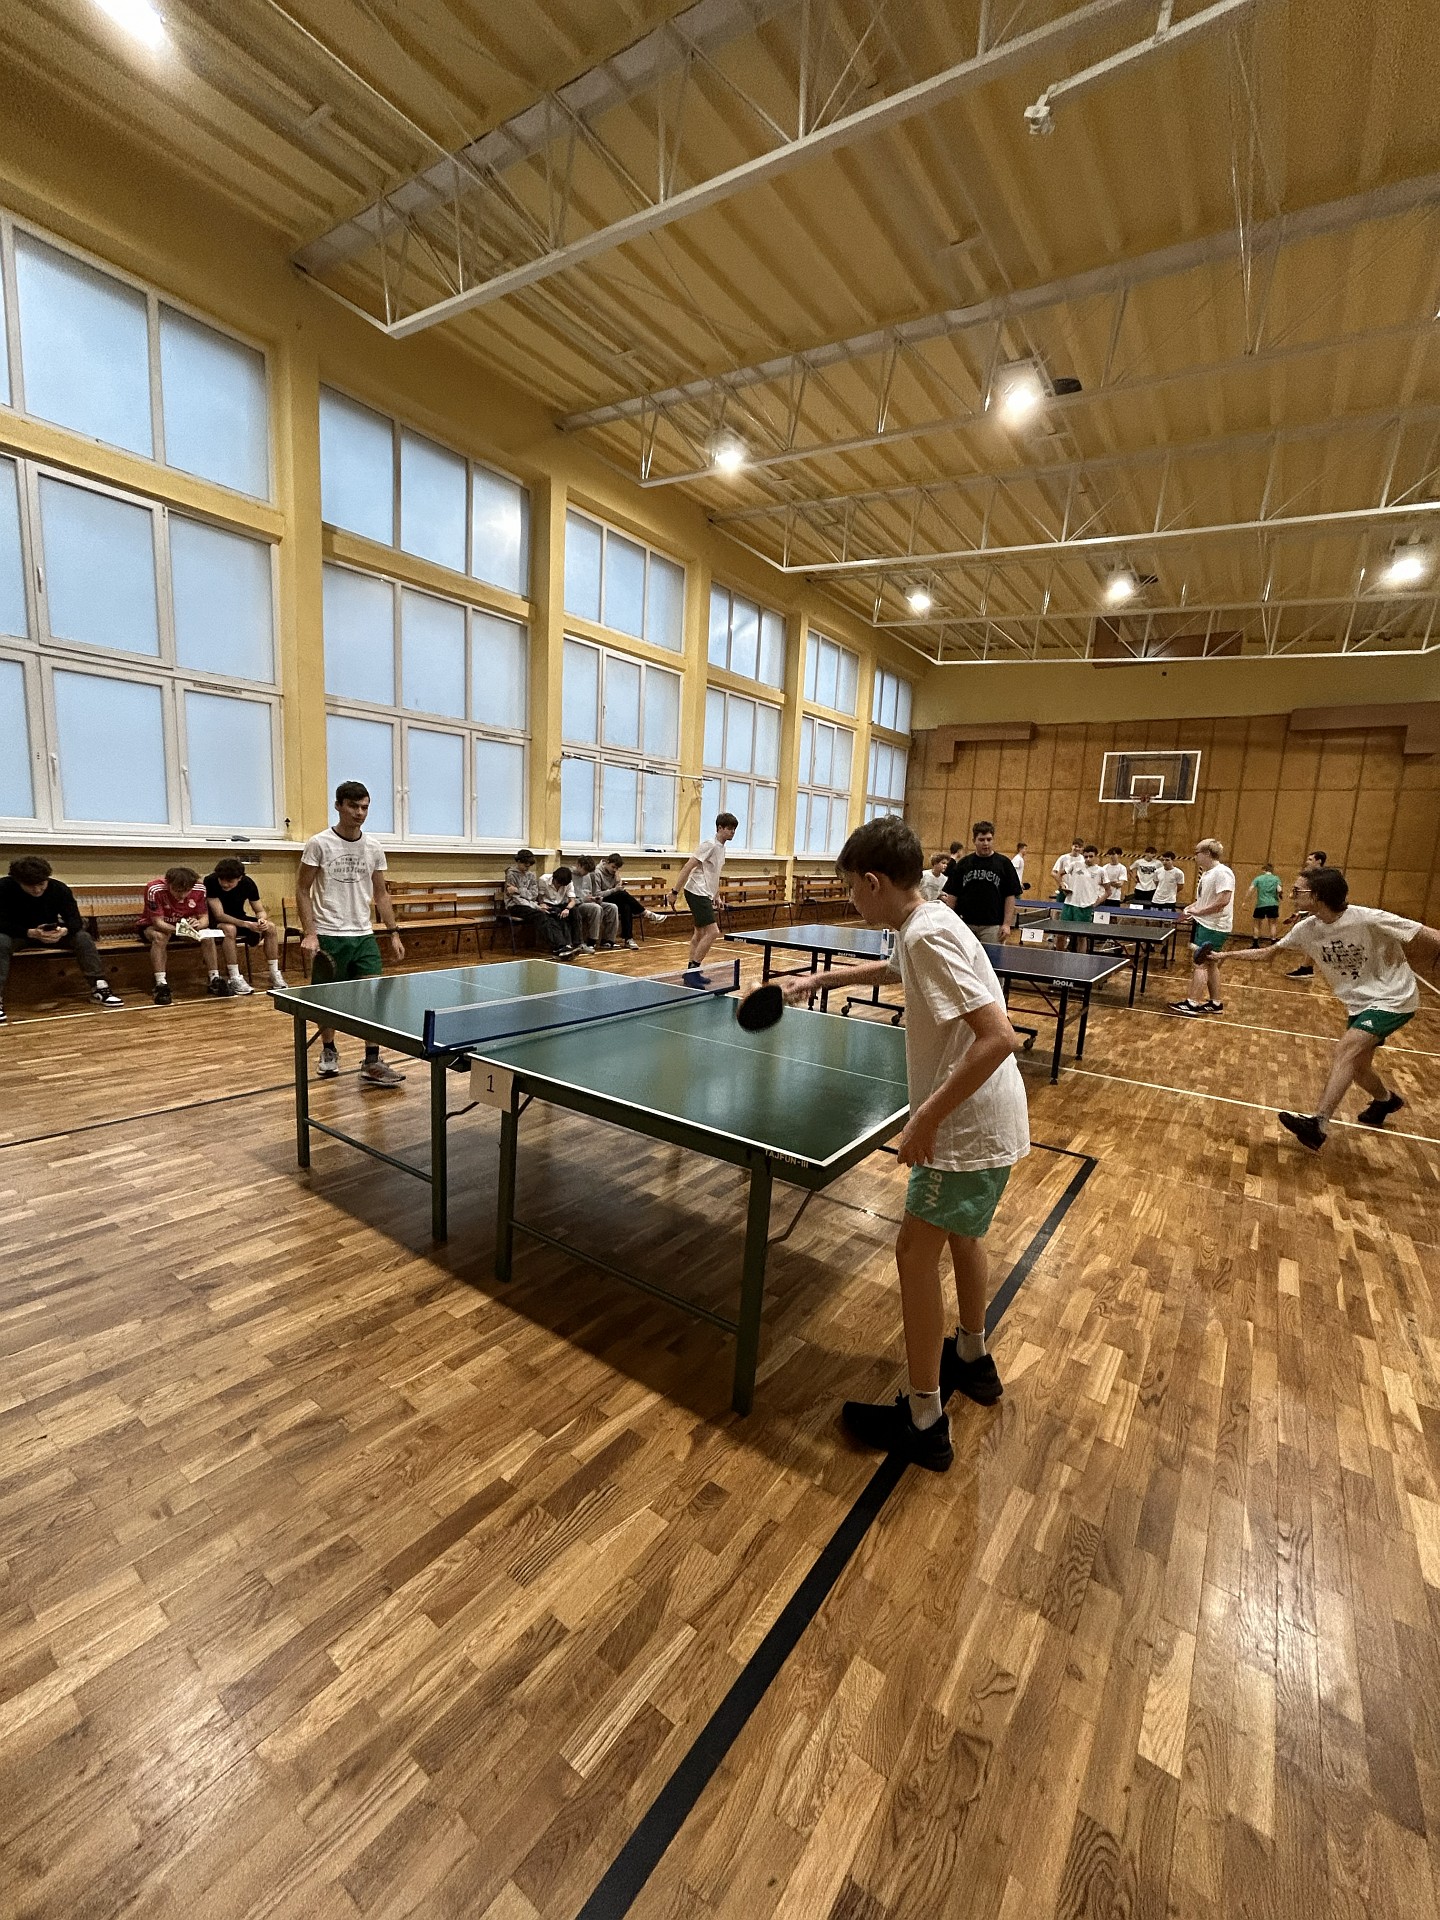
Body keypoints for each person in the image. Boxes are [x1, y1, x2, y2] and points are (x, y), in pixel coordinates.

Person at [769, 816, 1029, 1470]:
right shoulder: (927, 922)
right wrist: (817, 982)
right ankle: (972, 1358)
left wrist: (926, 1119)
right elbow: (896, 970)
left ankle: (923, 1419)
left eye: (848, 888)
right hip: (991, 1120)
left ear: (872, 882)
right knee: (963, 1238)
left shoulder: (929, 934)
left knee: (913, 1255)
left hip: (965, 1128)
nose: (849, 899)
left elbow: (999, 1037)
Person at [1212, 866, 1439, 1148]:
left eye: (1298, 891)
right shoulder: (1306, 929)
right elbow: (1268, 954)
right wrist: (1225, 955)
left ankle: (1318, 1123)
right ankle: (1386, 1100)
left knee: (1346, 1050)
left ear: (1318, 896)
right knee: (1358, 1069)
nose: (1291, 895)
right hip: (1358, 1003)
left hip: (1394, 998)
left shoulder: (1368, 918)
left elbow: (1428, 934)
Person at [297, 781, 406, 1087]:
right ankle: (329, 1050)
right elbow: (302, 890)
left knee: (373, 1000)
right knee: (327, 1001)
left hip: (363, 935)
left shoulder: (373, 847)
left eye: (365, 807)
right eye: (354, 806)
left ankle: (372, 1061)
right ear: (338, 806)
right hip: (329, 934)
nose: (360, 813)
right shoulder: (319, 843)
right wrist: (310, 933)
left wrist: (393, 932)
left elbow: (381, 894)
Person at [0, 856, 122, 1023]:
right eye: (30, 885)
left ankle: (99, 986)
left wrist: (63, 931)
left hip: (52, 934)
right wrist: (30, 933)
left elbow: (75, 920)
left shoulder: (59, 888)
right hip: (18, 935)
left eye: (41, 884)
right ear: (17, 881)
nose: (37, 890)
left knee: (83, 938)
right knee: (0, 942)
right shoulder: (4, 888)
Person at [138, 865, 226, 1004]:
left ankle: (214, 978)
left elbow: (204, 919)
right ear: (168, 884)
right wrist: (179, 929)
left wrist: (197, 924)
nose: (182, 896)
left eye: (187, 891)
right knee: (160, 937)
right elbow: (157, 922)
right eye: (178, 891)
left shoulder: (199, 888)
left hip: (183, 927)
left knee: (207, 936)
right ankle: (161, 984)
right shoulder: (154, 889)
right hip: (156, 926)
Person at [1167, 837, 1235, 1016]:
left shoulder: (1222, 873)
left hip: (1214, 926)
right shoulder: (1207, 873)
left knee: (1200, 963)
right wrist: (1190, 909)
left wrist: (1199, 912)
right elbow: (1205, 900)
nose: (1195, 856)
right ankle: (1215, 1003)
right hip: (1206, 923)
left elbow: (1223, 900)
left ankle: (1192, 1003)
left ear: (1207, 853)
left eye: (1196, 853)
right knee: (1211, 964)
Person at [205, 857, 286, 994]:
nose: (225, 884)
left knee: (271, 927)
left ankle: (274, 973)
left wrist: (261, 920)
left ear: (240, 878)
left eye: (229, 881)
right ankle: (234, 976)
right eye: (222, 880)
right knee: (230, 929)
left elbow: (260, 910)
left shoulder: (248, 883)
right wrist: (247, 924)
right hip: (215, 921)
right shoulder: (210, 881)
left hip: (239, 918)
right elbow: (219, 915)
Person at [670, 812, 738, 973]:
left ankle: (691, 971)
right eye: (729, 828)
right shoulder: (709, 845)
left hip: (704, 893)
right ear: (720, 828)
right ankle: (695, 968)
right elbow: (688, 866)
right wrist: (674, 892)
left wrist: (717, 896)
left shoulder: (721, 848)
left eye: (734, 829)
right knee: (713, 932)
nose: (733, 832)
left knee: (700, 933)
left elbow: (714, 873)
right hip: (696, 891)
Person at [941, 821, 1022, 944]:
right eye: (981, 840)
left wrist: (1006, 924)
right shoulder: (963, 864)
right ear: (974, 841)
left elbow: (1010, 896)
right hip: (964, 924)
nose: (986, 843)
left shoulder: (1004, 864)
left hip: (993, 926)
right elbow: (952, 895)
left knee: (991, 957)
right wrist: (949, 921)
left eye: (989, 839)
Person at [502, 850, 573, 957]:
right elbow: (516, 898)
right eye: (525, 865)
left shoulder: (531, 875)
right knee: (540, 915)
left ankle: (564, 944)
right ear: (518, 861)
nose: (527, 868)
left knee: (551, 914)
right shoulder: (511, 875)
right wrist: (536, 906)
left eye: (529, 866)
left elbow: (534, 894)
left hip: (531, 905)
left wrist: (518, 890)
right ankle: (557, 946)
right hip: (515, 906)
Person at [593, 853, 664, 949]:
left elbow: (617, 887)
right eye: (613, 867)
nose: (615, 870)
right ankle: (646, 913)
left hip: (613, 897)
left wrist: (618, 882)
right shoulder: (597, 873)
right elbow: (597, 894)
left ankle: (628, 939)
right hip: (600, 899)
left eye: (617, 868)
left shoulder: (615, 873)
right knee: (622, 894)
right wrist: (614, 890)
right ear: (607, 862)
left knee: (626, 906)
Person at [1286, 851, 1327, 977]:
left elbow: (1318, 898)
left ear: (1319, 861)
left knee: (1314, 940)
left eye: (1310, 859)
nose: (1307, 862)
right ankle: (1307, 967)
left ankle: (1307, 968)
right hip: (1313, 912)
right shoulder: (1311, 876)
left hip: (1321, 913)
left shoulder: (1322, 878)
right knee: (1311, 940)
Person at [572, 856, 622, 949]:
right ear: (578, 865)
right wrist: (584, 899)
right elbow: (569, 899)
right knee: (596, 908)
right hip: (577, 904)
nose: (586, 873)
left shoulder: (588, 875)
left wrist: (595, 899)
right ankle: (592, 941)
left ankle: (608, 940)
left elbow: (591, 892)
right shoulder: (569, 875)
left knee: (612, 907)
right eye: (585, 870)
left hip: (589, 901)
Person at [540, 865, 590, 954]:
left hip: (562, 904)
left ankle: (578, 943)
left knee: (575, 911)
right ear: (554, 878)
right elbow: (540, 896)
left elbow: (572, 900)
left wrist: (567, 909)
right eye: (558, 883)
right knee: (558, 914)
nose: (559, 886)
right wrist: (541, 904)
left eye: (562, 885)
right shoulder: (543, 880)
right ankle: (565, 944)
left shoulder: (569, 883)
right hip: (548, 904)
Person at [1248, 862, 1282, 945]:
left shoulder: (1259, 878)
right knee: (1272, 924)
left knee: (1257, 923)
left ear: (1264, 870)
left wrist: (1246, 900)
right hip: (1273, 904)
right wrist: (1280, 896)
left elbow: (1251, 889)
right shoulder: (1276, 878)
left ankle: (1255, 943)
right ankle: (1273, 942)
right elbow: (1279, 890)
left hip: (1261, 904)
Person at [1052, 837, 1085, 905]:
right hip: (1064, 889)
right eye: (1075, 846)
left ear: (1082, 848)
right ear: (1072, 846)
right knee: (1058, 908)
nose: (1077, 849)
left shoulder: (1083, 859)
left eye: (1079, 847)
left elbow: (1083, 874)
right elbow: (1053, 872)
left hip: (1076, 891)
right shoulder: (1063, 858)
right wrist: (1061, 884)